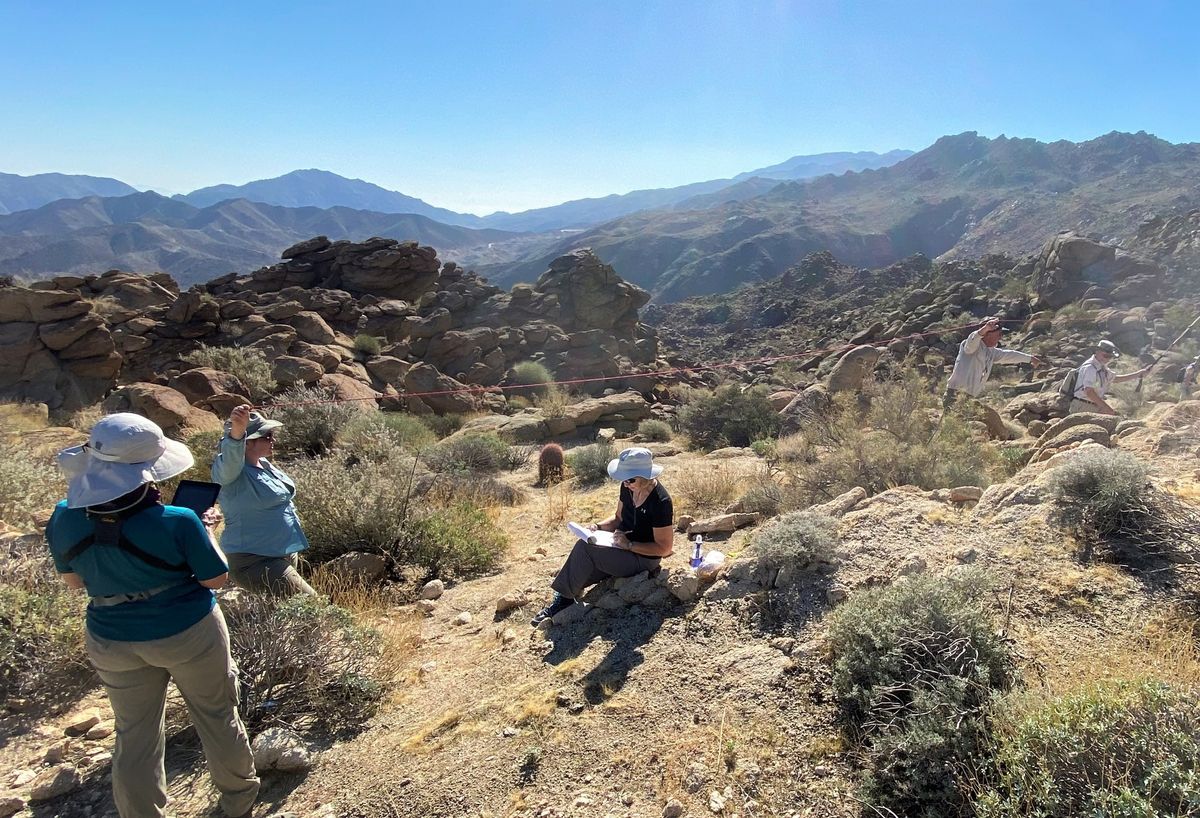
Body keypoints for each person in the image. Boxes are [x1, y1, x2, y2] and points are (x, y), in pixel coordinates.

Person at [46, 413, 259, 818]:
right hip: (187, 632)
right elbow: (215, 579)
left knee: (134, 735)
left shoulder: (64, 515)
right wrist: (206, 530)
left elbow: (74, 582)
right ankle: (239, 801)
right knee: (216, 715)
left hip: (110, 637)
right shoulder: (179, 520)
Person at [531, 447, 674, 626]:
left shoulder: (660, 502)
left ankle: (564, 599)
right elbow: (618, 518)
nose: (626, 483)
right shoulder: (627, 488)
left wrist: (629, 545)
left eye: (630, 479)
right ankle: (567, 592)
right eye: (624, 479)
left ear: (646, 477)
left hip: (643, 558)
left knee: (585, 550)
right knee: (582, 558)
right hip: (621, 548)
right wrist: (598, 527)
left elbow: (664, 548)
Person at [211, 404, 315, 596]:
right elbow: (231, 457)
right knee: (312, 605)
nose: (272, 440)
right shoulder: (230, 472)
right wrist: (236, 433)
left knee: (288, 613)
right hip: (254, 559)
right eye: (266, 436)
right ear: (247, 442)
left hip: (282, 552)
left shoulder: (265, 464)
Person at [943, 316, 1042, 438]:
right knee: (956, 429)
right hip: (955, 396)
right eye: (999, 334)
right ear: (987, 334)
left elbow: (1009, 355)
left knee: (990, 418)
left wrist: (1030, 358)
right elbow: (972, 339)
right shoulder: (970, 346)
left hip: (968, 399)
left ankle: (1004, 440)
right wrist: (984, 329)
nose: (1001, 337)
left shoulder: (991, 352)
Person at [1071, 340, 1152, 415]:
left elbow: (1115, 379)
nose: (1107, 359)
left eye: (1110, 356)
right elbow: (1089, 392)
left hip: (1092, 404)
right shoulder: (1090, 368)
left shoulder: (1102, 367)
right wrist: (1106, 408)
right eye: (1105, 355)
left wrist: (1139, 373)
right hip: (1082, 406)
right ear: (1097, 352)